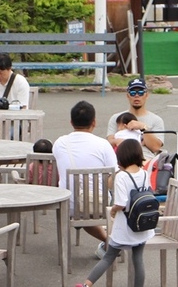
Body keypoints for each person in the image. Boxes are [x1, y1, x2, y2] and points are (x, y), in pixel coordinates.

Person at [75, 139, 155, 287]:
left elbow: (121, 203)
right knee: (138, 260)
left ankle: (86, 285)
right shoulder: (144, 174)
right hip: (141, 224)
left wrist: (112, 211)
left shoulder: (122, 177)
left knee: (108, 257)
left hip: (125, 226)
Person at [53, 101, 117, 257]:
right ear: (94, 122)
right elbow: (114, 178)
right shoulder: (103, 145)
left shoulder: (60, 143)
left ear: (71, 122)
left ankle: (109, 242)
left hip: (68, 206)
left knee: (81, 207)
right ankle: (112, 241)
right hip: (98, 205)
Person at [106, 77, 164, 160]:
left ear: (146, 95)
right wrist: (117, 141)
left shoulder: (156, 120)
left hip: (145, 158)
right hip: (121, 159)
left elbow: (155, 147)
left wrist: (143, 128)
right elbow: (108, 145)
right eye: (133, 93)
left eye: (140, 92)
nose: (137, 96)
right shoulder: (116, 118)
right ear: (128, 96)